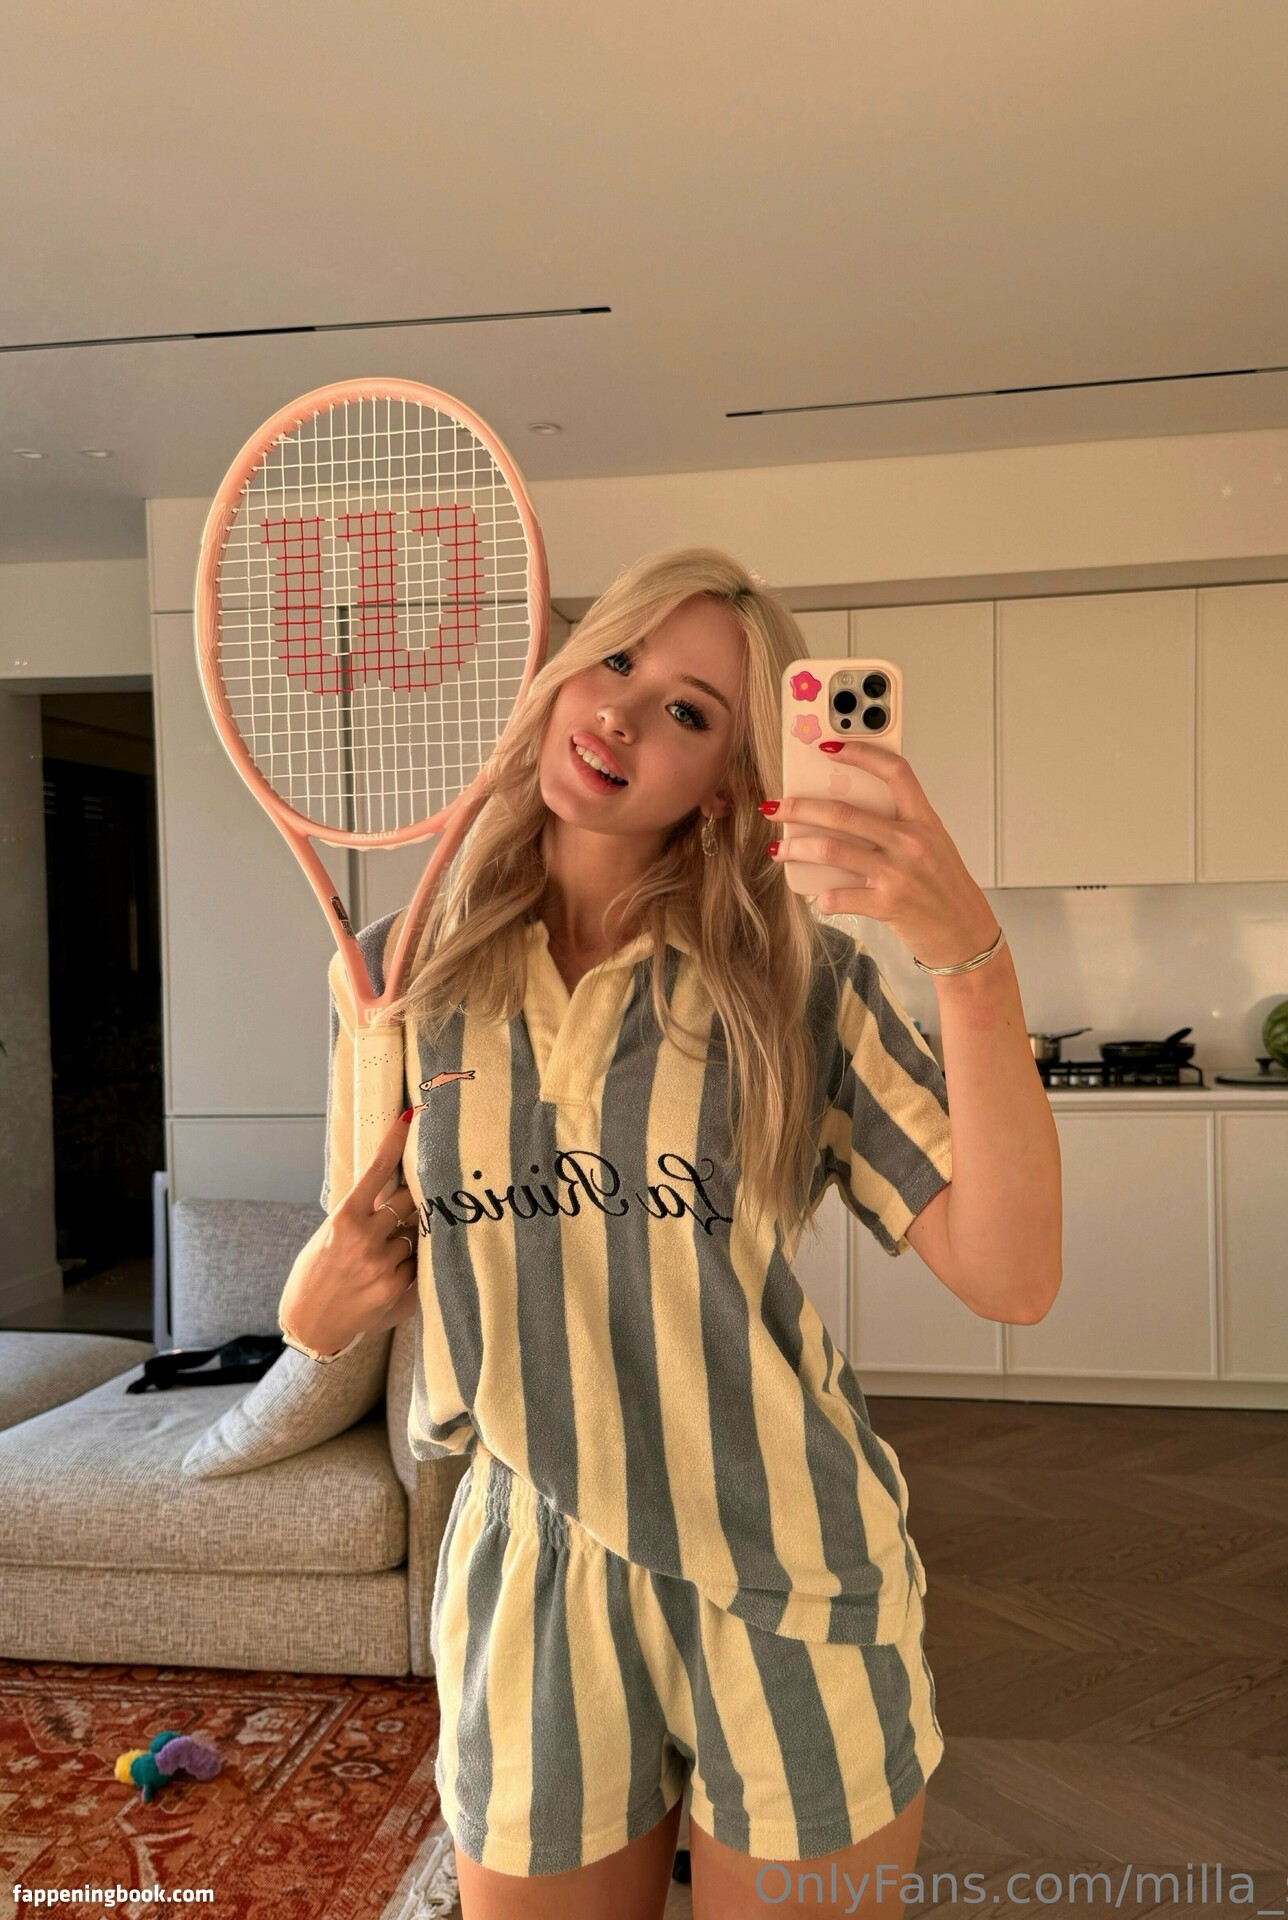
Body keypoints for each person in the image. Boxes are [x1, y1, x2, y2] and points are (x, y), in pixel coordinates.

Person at [280, 547, 1062, 1919]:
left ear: (727, 780)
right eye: (618, 659)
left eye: (690, 711)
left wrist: (968, 957)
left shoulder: (796, 981)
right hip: (528, 1567)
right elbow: (350, 1268)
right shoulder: (407, 973)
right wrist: (312, 1302)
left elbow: (1012, 1277)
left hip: (785, 1555)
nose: (623, 714)